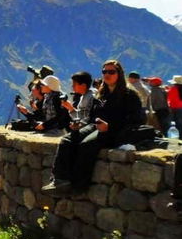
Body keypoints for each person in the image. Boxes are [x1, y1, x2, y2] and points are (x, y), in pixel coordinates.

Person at [43, 60, 143, 192]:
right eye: (104, 72)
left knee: (86, 145)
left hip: (115, 132)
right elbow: (92, 115)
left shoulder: (129, 95)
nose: (107, 74)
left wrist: (110, 127)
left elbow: (136, 119)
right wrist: (79, 125)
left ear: (119, 74)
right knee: (67, 140)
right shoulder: (102, 94)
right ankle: (59, 179)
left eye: (111, 72)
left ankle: (79, 186)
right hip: (96, 125)